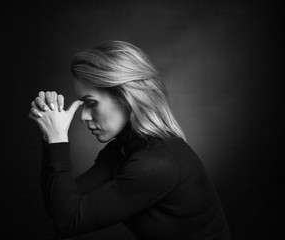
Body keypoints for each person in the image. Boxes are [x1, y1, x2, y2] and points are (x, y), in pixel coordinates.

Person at [28, 40, 232, 239]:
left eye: (91, 103)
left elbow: (67, 222)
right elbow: (61, 208)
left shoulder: (157, 164)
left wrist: (57, 140)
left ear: (126, 98)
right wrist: (50, 135)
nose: (84, 116)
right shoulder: (121, 150)